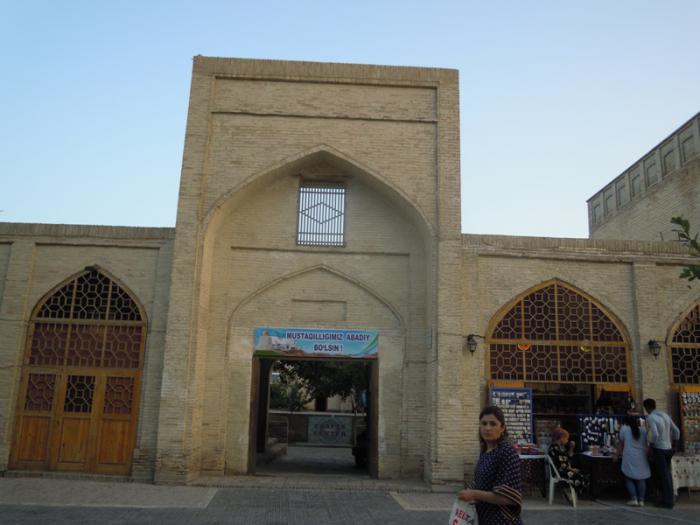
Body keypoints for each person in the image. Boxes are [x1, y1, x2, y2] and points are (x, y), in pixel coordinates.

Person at [458, 405, 523, 524]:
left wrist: (474, 494)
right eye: (484, 423)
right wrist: (469, 492)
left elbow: (509, 498)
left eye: (493, 424)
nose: (487, 428)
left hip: (501, 521)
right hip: (484, 518)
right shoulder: (485, 452)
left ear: (502, 428)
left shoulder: (507, 452)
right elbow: (483, 483)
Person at [643, 398, 680, 509]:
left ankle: (667, 501)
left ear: (647, 408)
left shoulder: (650, 417)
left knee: (662, 476)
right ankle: (668, 498)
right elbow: (676, 431)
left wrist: (651, 446)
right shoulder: (665, 415)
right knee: (667, 474)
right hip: (668, 448)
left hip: (659, 449)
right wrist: (675, 446)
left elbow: (654, 434)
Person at [616, 413, 651, 506]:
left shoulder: (624, 429)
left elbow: (620, 444)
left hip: (629, 456)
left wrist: (616, 455)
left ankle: (633, 498)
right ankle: (641, 500)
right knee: (641, 478)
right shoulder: (642, 430)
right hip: (642, 456)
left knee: (628, 477)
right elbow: (647, 444)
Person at [547, 428, 589, 497]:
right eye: (566, 438)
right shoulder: (554, 448)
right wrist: (571, 469)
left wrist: (571, 448)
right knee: (579, 476)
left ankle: (574, 492)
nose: (567, 440)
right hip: (559, 471)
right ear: (561, 438)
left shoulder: (561, 447)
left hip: (564, 469)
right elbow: (561, 464)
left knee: (584, 473)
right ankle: (574, 492)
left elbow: (569, 457)